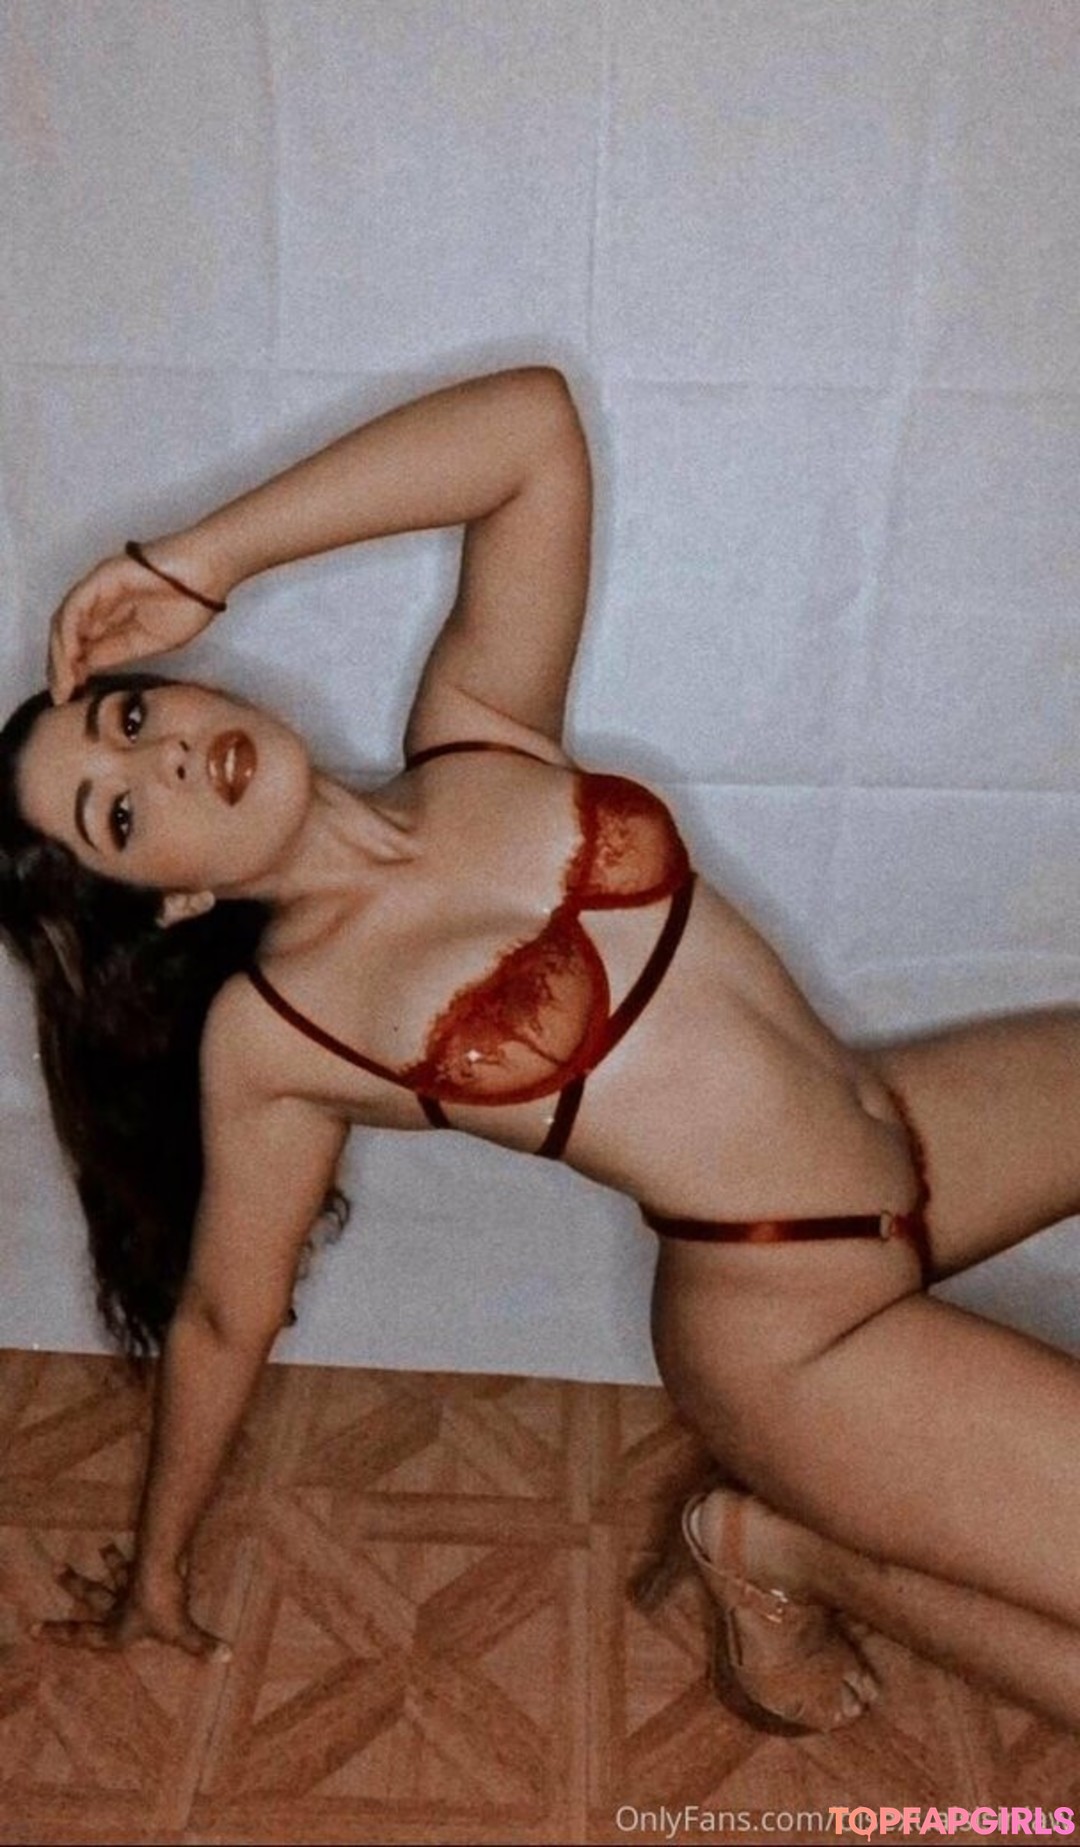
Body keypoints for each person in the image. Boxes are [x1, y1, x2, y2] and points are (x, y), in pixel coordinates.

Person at [5, 366, 1080, 1735]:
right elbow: (225, 1318)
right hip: (794, 1331)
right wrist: (154, 1576)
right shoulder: (278, 1035)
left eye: (130, 719)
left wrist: (205, 556)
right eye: (118, 816)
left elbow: (531, 430)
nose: (161, 761)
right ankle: (782, 1549)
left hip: (910, 1136)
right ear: (171, 901)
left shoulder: (480, 730)